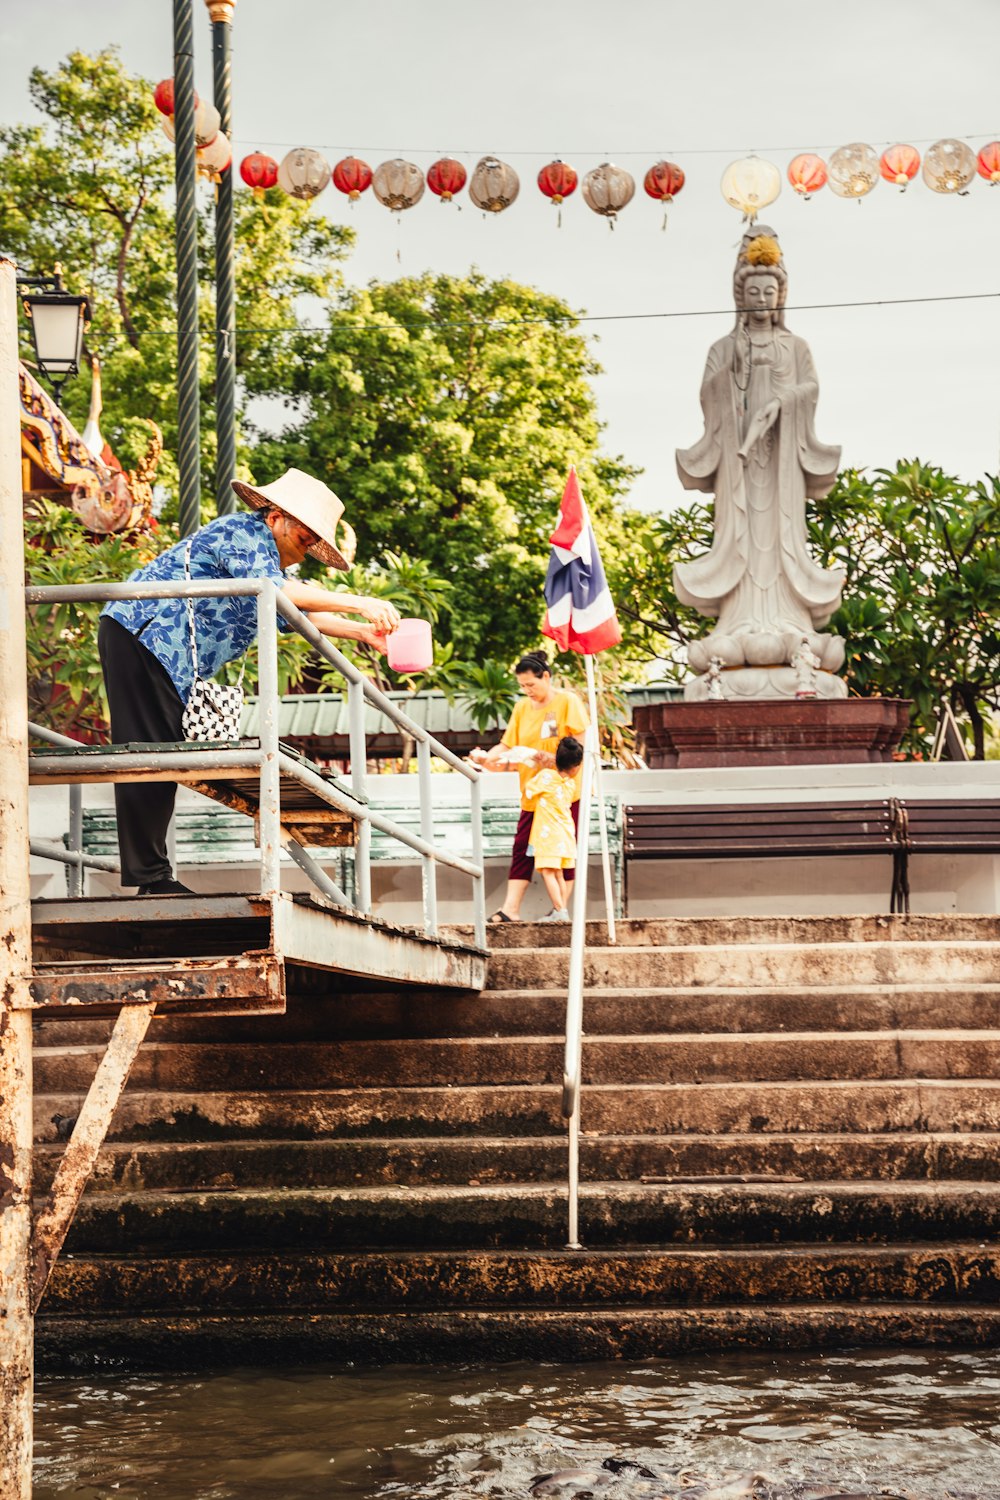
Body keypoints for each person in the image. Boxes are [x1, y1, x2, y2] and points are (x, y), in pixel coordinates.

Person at [98, 467, 400, 895]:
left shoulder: (267, 557)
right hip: (145, 633)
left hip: (170, 656)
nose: (305, 550)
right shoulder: (244, 532)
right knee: (151, 754)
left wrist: (359, 630)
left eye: (313, 545)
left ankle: (153, 876)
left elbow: (296, 613)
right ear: (275, 517)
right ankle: (151, 878)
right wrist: (361, 603)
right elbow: (275, 591)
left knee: (161, 756)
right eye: (303, 538)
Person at [674, 228, 847, 697]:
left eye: (769, 293)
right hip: (741, 469)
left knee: (782, 532)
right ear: (739, 296)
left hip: (783, 464)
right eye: (753, 293)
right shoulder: (724, 349)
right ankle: (738, 624)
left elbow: (810, 389)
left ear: (781, 296)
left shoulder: (797, 347)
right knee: (743, 533)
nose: (761, 300)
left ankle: (793, 625)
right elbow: (708, 393)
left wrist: (784, 401)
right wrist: (733, 387)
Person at [469, 650, 588, 924]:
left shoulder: (567, 702)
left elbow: (582, 748)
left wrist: (552, 759)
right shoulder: (522, 707)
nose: (527, 691)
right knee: (523, 847)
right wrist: (488, 756)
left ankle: (561, 910)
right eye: (522, 686)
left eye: (531, 685)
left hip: (563, 793)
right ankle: (511, 909)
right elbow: (508, 745)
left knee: (561, 851)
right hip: (534, 792)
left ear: (546, 676)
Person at [523, 735, 585, 922]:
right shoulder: (571, 784)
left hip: (548, 836)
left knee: (549, 873)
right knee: (558, 873)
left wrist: (542, 768)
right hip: (566, 835)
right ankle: (562, 908)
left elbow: (529, 790)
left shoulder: (546, 776)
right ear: (575, 766)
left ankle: (560, 911)